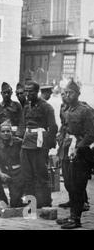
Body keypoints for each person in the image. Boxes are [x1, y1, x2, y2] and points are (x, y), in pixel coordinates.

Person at [56, 81, 94, 229]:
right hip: (68, 149)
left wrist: (78, 146)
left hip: (82, 152)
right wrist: (60, 138)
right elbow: (64, 127)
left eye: (70, 92)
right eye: (65, 92)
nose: (67, 95)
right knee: (70, 184)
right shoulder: (67, 110)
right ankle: (72, 215)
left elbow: (91, 134)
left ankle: (76, 219)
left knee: (78, 185)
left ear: (77, 94)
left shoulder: (85, 110)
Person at [21, 81, 58, 208]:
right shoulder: (26, 106)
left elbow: (53, 127)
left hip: (39, 144)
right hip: (26, 144)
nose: (27, 93)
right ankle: (31, 205)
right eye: (26, 91)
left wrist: (47, 145)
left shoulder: (46, 107)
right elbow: (24, 125)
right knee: (27, 175)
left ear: (37, 92)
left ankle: (45, 203)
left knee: (41, 174)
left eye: (30, 91)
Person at [0, 120, 25, 207]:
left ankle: (17, 198)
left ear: (11, 132)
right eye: (3, 131)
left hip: (18, 173)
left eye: (8, 131)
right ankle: (3, 200)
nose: (5, 133)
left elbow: (25, 160)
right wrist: (1, 174)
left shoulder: (19, 143)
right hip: (5, 172)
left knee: (15, 203)